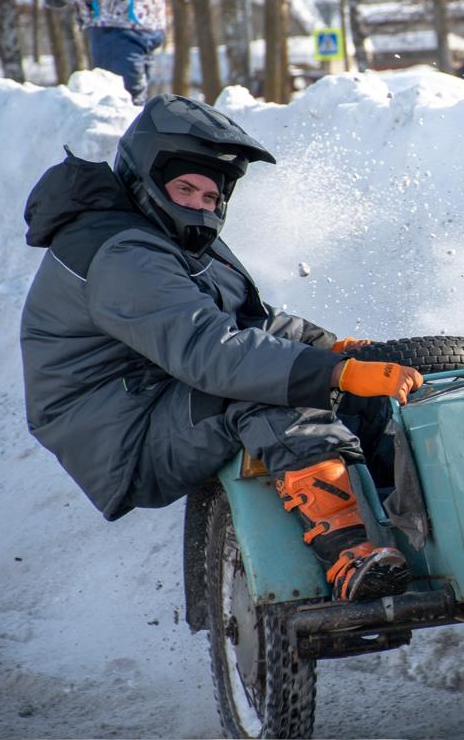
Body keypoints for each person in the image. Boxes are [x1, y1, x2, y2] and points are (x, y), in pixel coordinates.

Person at [21, 95, 422, 602]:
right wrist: (331, 371)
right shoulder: (123, 252)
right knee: (267, 392)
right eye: (185, 188)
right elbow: (213, 351)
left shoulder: (167, 236)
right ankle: (348, 552)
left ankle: (399, 518)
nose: (200, 205)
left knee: (348, 392)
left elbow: (248, 319)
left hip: (160, 393)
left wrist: (331, 348)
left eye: (212, 197)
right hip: (121, 431)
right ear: (145, 179)